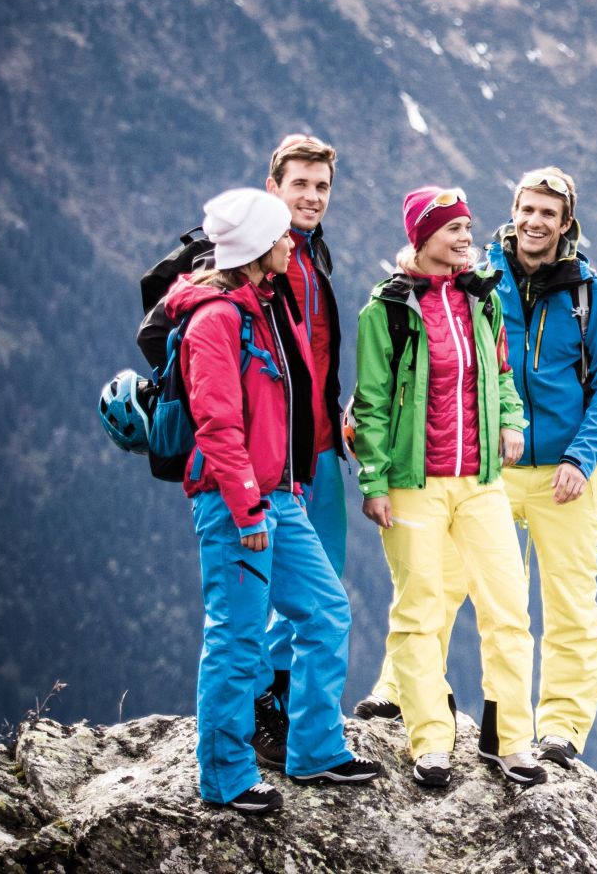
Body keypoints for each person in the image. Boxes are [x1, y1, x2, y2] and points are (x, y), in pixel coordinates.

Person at [356, 167, 597, 771]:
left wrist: (582, 455)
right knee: (440, 580)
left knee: (568, 602)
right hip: (486, 463)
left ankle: (561, 727)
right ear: (513, 211)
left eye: (548, 213)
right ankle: (396, 690)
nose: (534, 221)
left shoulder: (591, 294)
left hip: (568, 472)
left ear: (566, 224)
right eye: (527, 209)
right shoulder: (479, 278)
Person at [170, 188, 381, 814]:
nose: (294, 241)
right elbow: (217, 423)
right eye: (283, 236)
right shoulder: (215, 320)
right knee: (237, 638)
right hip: (238, 502)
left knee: (325, 611)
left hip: (282, 496)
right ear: (261, 247)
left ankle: (314, 750)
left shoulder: (266, 304)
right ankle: (225, 778)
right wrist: (246, 506)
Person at [351, 187, 546, 789]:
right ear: (423, 237)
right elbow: (372, 405)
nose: (467, 237)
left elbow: (503, 373)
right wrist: (373, 481)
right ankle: (431, 743)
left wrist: (511, 421)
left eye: (468, 227)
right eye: (454, 228)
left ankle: (510, 741)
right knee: (419, 612)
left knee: (510, 609)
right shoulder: (384, 312)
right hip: (414, 485)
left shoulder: (481, 301)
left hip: (481, 481)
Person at [252, 133, 349, 769]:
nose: (311, 197)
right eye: (300, 185)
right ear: (274, 189)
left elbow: (312, 353)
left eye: (321, 187)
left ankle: (288, 704)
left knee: (324, 579)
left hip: (318, 446)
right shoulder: (259, 260)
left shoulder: (314, 257)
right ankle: (266, 707)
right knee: (291, 590)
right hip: (275, 455)